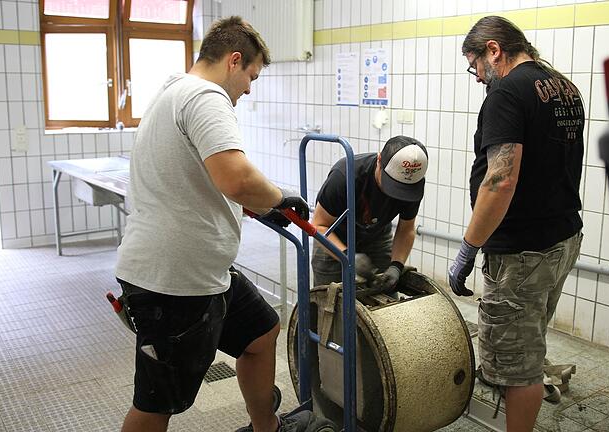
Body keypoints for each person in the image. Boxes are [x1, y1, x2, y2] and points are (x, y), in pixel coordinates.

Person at [114, 16, 315, 432]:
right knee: (158, 403)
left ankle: (266, 427)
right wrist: (279, 197)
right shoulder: (205, 96)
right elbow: (235, 176)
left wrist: (259, 207)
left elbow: (201, 179)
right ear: (234, 61)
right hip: (173, 279)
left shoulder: (174, 89)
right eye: (251, 76)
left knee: (261, 333)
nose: (249, 88)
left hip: (203, 269)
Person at [448, 16, 585, 432]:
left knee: (517, 363)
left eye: (475, 66)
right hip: (562, 236)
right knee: (529, 341)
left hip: (523, 251)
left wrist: (469, 247)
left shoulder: (507, 91)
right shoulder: (564, 86)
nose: (477, 77)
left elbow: (501, 179)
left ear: (494, 50)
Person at [311, 136, 428, 291]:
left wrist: (396, 266)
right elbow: (319, 226)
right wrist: (348, 256)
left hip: (376, 235)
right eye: (392, 184)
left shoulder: (413, 183)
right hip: (334, 236)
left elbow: (406, 229)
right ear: (379, 160)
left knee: (385, 294)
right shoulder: (344, 175)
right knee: (329, 299)